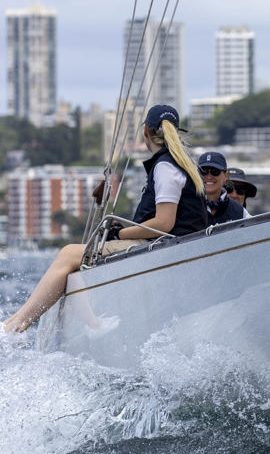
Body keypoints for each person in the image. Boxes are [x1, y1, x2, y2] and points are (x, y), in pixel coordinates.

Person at [2, 104, 206, 334]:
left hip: (163, 246)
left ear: (145, 132)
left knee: (69, 253)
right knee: (75, 261)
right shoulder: (184, 165)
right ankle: (85, 324)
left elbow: (163, 223)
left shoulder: (165, 166)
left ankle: (15, 325)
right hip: (177, 245)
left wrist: (120, 233)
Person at [199, 151, 250, 225]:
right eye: (203, 171)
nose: (209, 176)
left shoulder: (240, 212)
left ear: (226, 175)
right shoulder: (186, 207)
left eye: (215, 171)